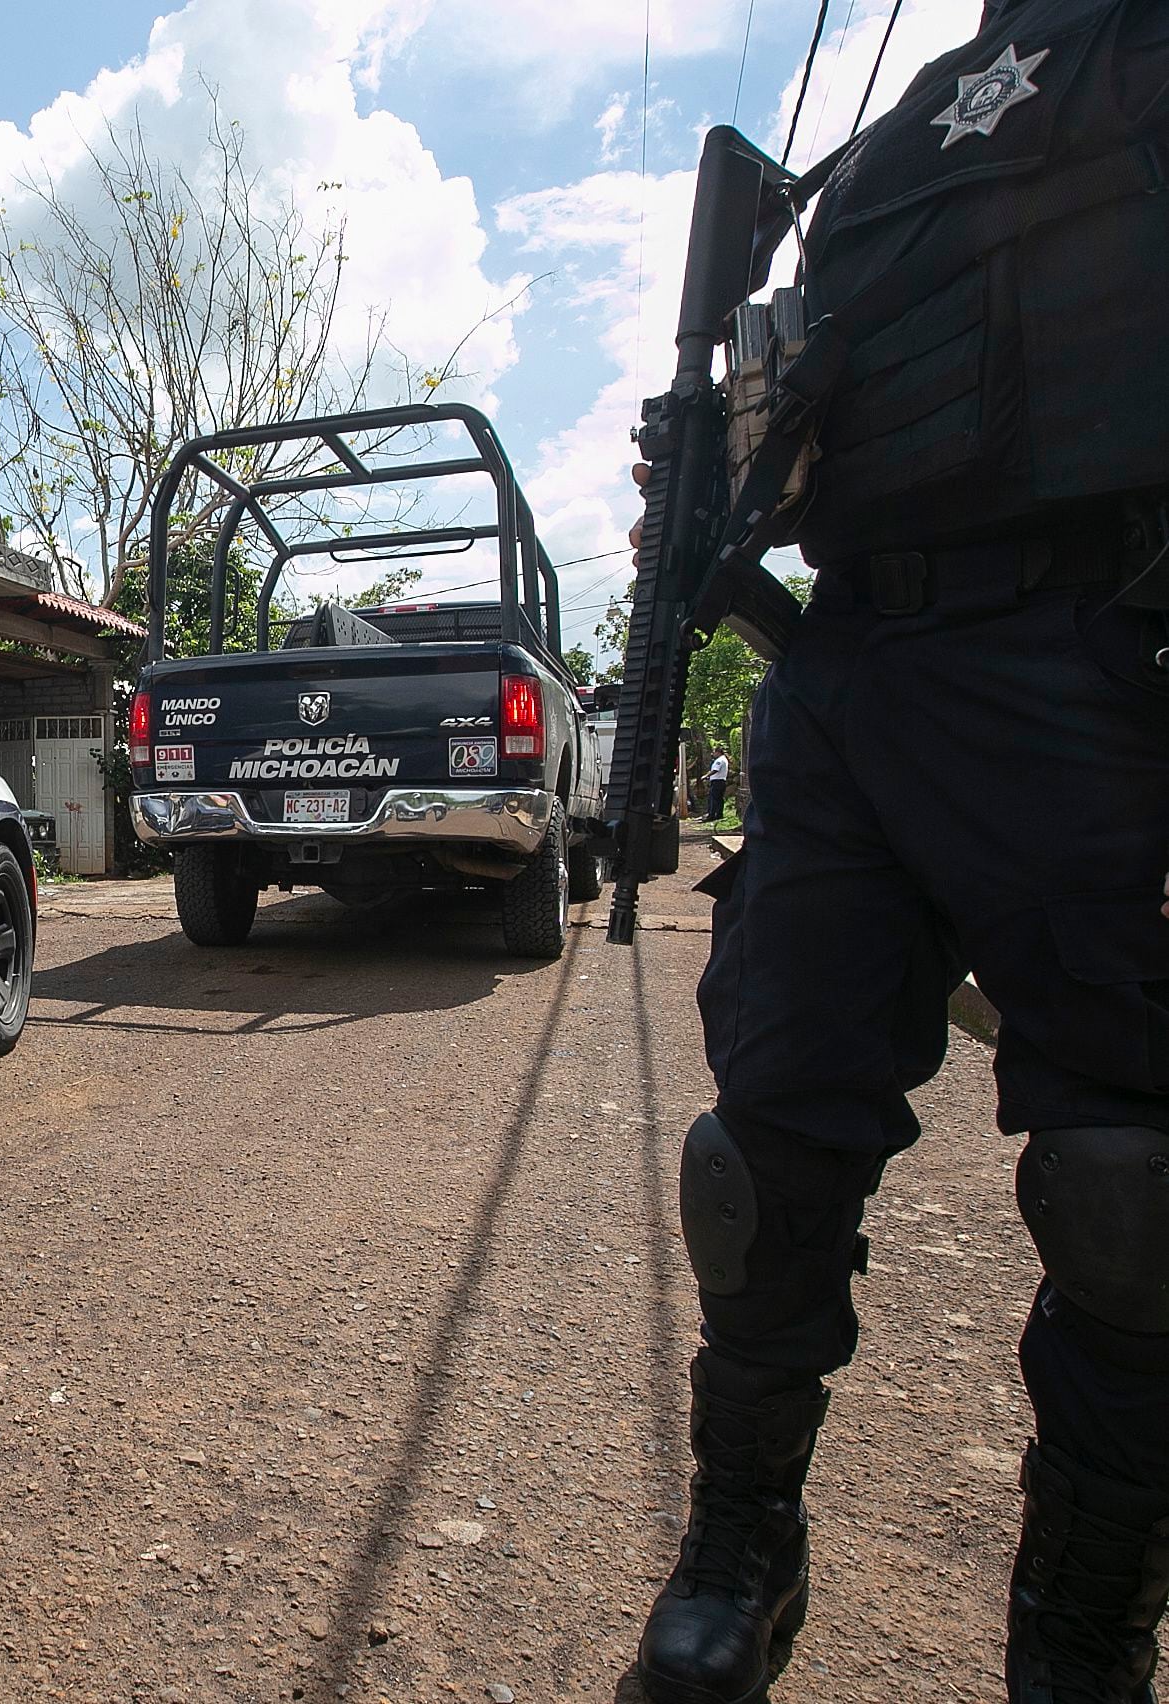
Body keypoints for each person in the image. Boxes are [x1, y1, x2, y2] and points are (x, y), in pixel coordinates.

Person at [630, 2, 1169, 1700]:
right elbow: (801, 430)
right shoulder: (872, 164)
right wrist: (711, 475)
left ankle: (1081, 1634)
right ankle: (744, 1542)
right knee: (763, 1148)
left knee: (1132, 1194)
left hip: (1098, 653)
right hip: (845, 673)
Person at [701, 749, 730, 824]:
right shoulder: (722, 759)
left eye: (714, 752)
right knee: (718, 799)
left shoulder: (720, 760)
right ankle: (718, 814)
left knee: (714, 799)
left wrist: (706, 776)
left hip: (717, 782)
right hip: (719, 781)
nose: (712, 754)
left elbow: (715, 770)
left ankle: (712, 815)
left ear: (718, 752)